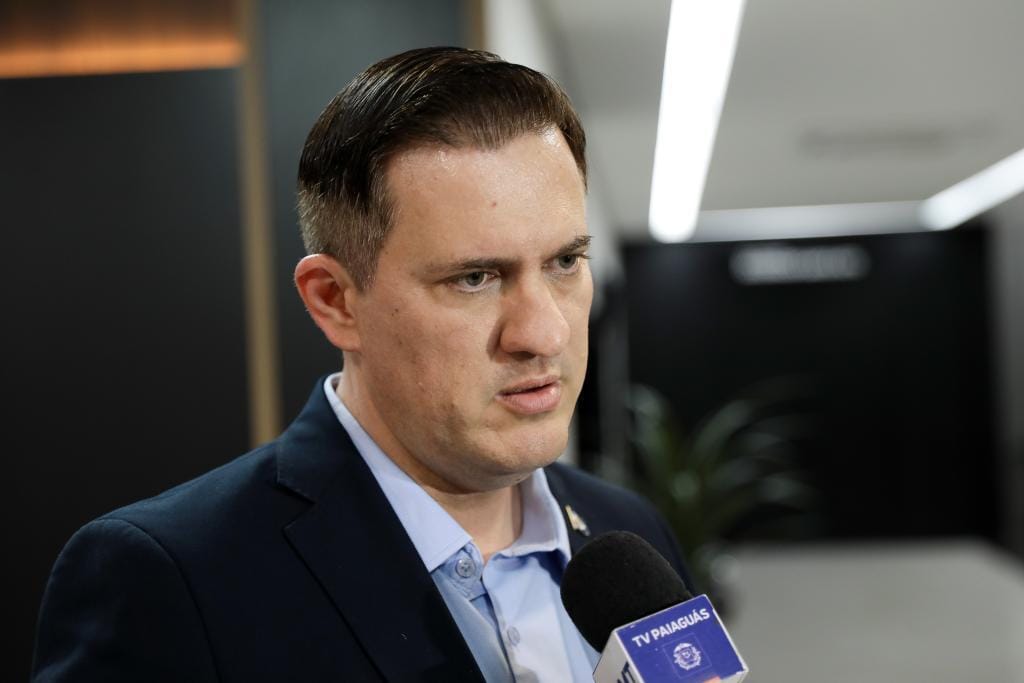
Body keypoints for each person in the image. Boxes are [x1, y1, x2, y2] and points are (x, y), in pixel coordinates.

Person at [32, 46, 690, 682]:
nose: (543, 331)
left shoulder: (631, 532)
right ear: (336, 301)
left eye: (565, 262)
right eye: (474, 278)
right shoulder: (170, 581)